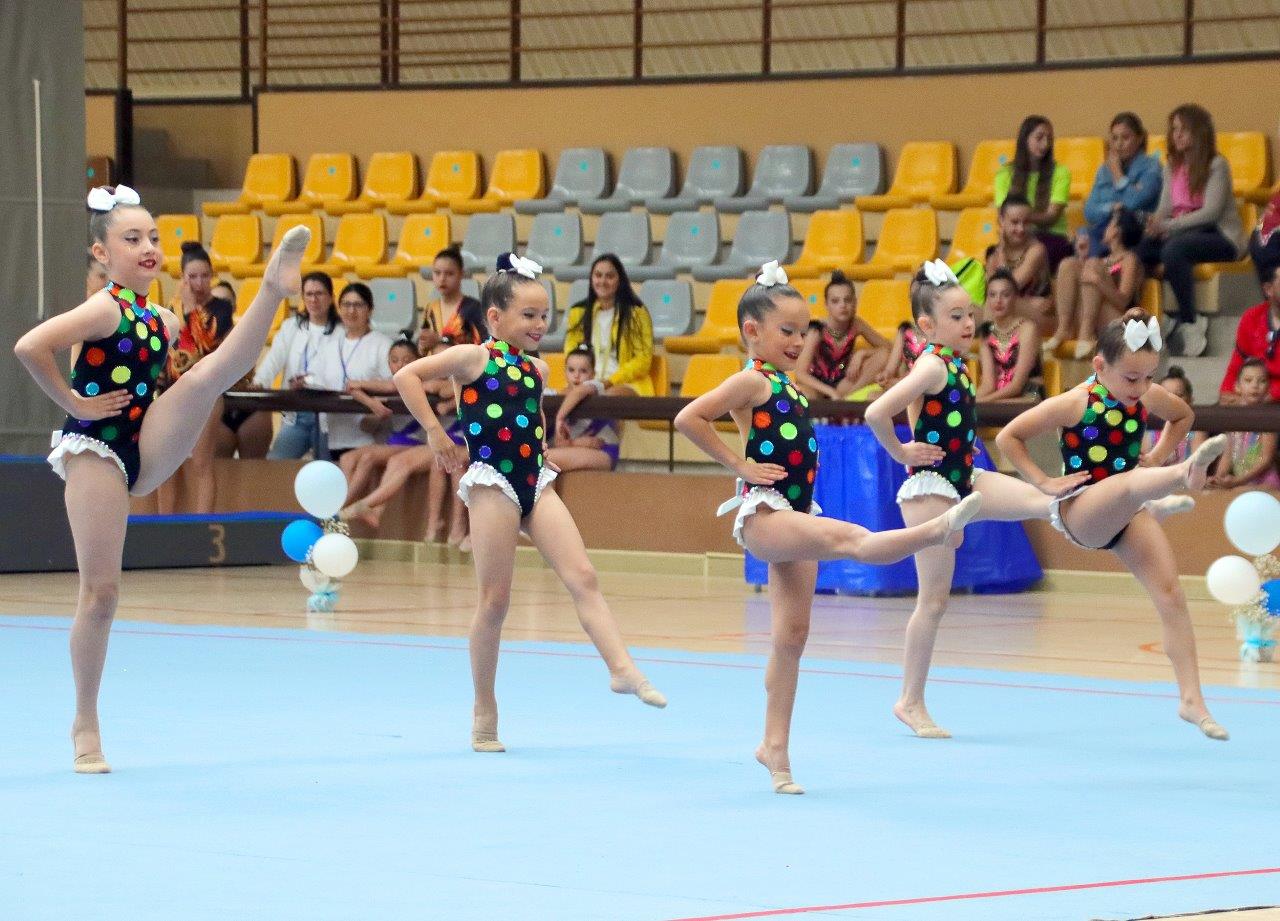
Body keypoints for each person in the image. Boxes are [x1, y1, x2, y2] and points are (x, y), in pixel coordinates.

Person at [13, 184, 307, 772]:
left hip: (143, 442)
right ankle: (85, 722)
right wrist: (72, 401)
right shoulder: (104, 308)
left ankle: (272, 288)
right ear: (102, 253)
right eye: (132, 239)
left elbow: (175, 380)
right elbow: (30, 346)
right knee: (101, 593)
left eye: (153, 237)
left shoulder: (166, 321)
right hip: (96, 449)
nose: (148, 247)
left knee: (206, 378)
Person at [675, 261, 982, 793]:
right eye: (787, 331)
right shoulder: (751, 381)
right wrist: (741, 466)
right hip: (767, 514)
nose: (799, 341)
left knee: (791, 637)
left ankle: (774, 749)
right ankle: (934, 531)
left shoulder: (787, 386)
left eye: (803, 331)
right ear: (753, 332)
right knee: (851, 540)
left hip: (795, 510)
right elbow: (689, 418)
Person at [393, 253, 667, 754]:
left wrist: (540, 446)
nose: (541, 324)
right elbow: (406, 376)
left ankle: (622, 669)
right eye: (529, 315)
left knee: (583, 575)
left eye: (545, 316)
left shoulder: (537, 368)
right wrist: (435, 432)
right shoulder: (472, 358)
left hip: (533, 479)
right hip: (492, 482)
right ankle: (484, 710)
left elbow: (531, 417)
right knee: (495, 601)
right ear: (495, 317)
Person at [996, 309, 1229, 740]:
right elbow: (1008, 436)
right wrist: (1043, 481)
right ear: (1099, 366)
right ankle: (1185, 474)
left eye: (1148, 378)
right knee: (1128, 485)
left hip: (1126, 512)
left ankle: (1191, 699)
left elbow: (1182, 417)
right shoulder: (1075, 402)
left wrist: (1156, 455)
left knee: (1172, 594)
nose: (1141, 389)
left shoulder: (1143, 393)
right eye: (1132, 378)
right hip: (1081, 512)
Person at [866, 259, 1065, 739]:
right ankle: (909, 701)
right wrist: (902, 451)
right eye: (955, 317)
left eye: (969, 315)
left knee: (1047, 500)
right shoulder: (932, 364)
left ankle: (1123, 508)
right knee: (933, 602)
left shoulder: (956, 363)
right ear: (927, 325)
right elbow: (876, 412)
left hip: (965, 478)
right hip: (932, 488)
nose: (968, 323)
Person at [1137, 104, 1244, 357]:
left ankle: (1190, 320)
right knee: (1141, 250)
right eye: (1174, 129)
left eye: (1183, 129)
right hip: (1182, 232)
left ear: (1199, 132)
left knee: (1174, 250)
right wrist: (1154, 224)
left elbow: (1210, 213)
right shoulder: (1171, 166)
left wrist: (1169, 226)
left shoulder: (1217, 165)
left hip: (1220, 235)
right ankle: (1157, 316)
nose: (1177, 134)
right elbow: (1165, 207)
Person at [155, 241, 237, 513]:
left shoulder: (221, 309)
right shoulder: (170, 310)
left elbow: (203, 349)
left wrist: (191, 312)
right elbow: (165, 353)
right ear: (182, 278)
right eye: (193, 277)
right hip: (173, 393)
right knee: (166, 464)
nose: (199, 283)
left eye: (204, 276)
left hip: (206, 393)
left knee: (202, 461)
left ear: (212, 275)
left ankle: (202, 525)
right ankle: (164, 524)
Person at [255, 272, 343, 459]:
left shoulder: (342, 331)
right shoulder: (291, 326)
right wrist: (259, 382)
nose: (314, 299)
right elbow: (273, 360)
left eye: (319, 294)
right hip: (296, 413)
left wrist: (314, 383)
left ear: (330, 297)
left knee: (326, 468)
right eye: (309, 294)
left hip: (328, 414)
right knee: (276, 462)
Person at [1047, 208, 1146, 358]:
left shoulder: (1129, 259)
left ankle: (1086, 333)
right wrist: (1081, 259)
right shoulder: (1102, 258)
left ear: (1117, 231)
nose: (1105, 229)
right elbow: (1085, 289)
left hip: (1117, 319)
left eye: (1109, 225)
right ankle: (1064, 328)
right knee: (1068, 264)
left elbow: (1123, 301)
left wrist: (1098, 281)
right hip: (1092, 315)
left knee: (1092, 264)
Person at [318, 283, 393, 461]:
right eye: (346, 304)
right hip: (334, 434)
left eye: (358, 305)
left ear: (370, 310)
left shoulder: (383, 344)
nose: (351, 311)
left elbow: (392, 384)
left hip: (369, 435)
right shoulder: (329, 344)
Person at [563, 254, 655, 396]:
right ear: (591, 279)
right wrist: (584, 377)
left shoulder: (636, 313)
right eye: (598, 275)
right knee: (560, 396)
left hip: (625, 382)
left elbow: (643, 360)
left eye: (609, 276)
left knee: (607, 397)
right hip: (586, 379)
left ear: (620, 280)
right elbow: (571, 351)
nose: (603, 281)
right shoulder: (578, 312)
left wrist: (610, 381)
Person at [794, 270, 890, 400]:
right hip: (816, 385)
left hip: (843, 382)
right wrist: (830, 392)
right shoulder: (816, 330)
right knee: (804, 395)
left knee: (883, 355)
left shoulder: (856, 324)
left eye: (847, 300)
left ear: (855, 303)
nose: (843, 305)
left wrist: (862, 354)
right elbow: (800, 373)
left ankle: (848, 398)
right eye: (835, 301)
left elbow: (888, 348)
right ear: (826, 305)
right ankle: (838, 398)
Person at [994, 116, 1073, 270]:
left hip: (1051, 236)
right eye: (1039, 138)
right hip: (1016, 236)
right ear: (1025, 139)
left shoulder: (1061, 172)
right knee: (993, 255)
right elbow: (1002, 214)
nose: (1045, 144)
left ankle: (1014, 283)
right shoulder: (1005, 174)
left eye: (1049, 139)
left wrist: (1017, 218)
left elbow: (1051, 216)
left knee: (1033, 253)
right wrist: (1022, 221)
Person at [1080, 112, 1163, 257]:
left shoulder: (1151, 167)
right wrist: (1111, 207)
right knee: (1078, 245)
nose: (1118, 144)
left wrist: (1118, 175)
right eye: (1114, 138)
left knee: (1098, 251)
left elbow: (1134, 202)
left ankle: (1105, 263)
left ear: (1139, 139)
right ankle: (1099, 262)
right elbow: (1089, 210)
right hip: (1105, 230)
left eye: (1125, 138)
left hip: (1135, 235)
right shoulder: (1104, 170)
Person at [549, 346, 621, 473]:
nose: (576, 376)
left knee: (544, 459)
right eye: (571, 370)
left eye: (583, 371)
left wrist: (560, 418)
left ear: (593, 374)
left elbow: (580, 391)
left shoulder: (596, 387)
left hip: (603, 451)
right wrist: (574, 443)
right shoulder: (554, 395)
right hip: (571, 450)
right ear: (565, 372)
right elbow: (559, 443)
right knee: (540, 459)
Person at [1210, 358, 1280, 490]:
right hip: (1241, 482)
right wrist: (1218, 478)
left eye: (1262, 381)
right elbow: (1228, 454)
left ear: (1269, 387)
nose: (1255, 386)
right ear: (1237, 386)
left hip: (1265, 483)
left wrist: (1237, 481)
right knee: (1215, 490)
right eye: (1248, 380)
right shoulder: (1233, 418)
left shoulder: (1268, 417)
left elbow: (1266, 459)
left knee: (1236, 491)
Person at [977, 268, 1042, 402]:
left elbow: (1017, 385)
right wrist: (968, 402)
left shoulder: (1027, 329)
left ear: (1015, 298)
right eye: (992, 295)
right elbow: (988, 385)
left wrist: (983, 402)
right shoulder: (987, 333)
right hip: (997, 398)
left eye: (1005, 295)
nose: (998, 300)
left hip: (1027, 396)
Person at [985, 195, 1051, 326]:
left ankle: (991, 337)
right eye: (1015, 222)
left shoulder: (1036, 250)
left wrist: (1002, 254)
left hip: (1038, 319)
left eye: (1026, 222)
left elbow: (1007, 288)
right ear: (1001, 221)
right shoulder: (993, 253)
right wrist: (1000, 250)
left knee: (1004, 302)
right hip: (1010, 313)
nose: (1021, 229)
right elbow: (990, 292)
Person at [1219, 262, 1280, 403]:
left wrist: (1272, 396)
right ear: (1268, 289)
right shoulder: (1252, 318)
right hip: (1256, 400)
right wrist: (1227, 394)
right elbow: (1236, 367)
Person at [417, 246, 485, 351]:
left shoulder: (474, 308)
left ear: (461, 274)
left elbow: (483, 346)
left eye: (449, 274)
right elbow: (422, 346)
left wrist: (440, 340)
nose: (442, 279)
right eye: (437, 273)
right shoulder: (430, 308)